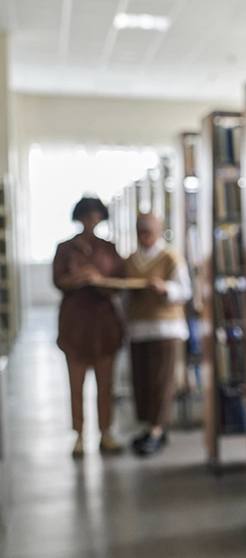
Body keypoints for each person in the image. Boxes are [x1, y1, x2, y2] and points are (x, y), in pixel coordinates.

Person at [52, 196, 126, 458]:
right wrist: (78, 280)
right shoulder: (65, 248)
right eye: (86, 216)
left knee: (106, 385)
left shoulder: (108, 248)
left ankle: (106, 432)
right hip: (75, 326)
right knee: (76, 384)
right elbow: (58, 280)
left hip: (104, 324)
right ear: (79, 218)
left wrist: (98, 279)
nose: (91, 221)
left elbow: (120, 281)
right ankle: (79, 435)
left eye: (95, 216)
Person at [124, 213, 193, 456]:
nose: (144, 236)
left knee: (161, 381)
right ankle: (150, 427)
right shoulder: (131, 260)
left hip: (165, 329)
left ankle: (157, 427)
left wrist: (165, 288)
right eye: (140, 231)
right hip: (138, 329)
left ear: (159, 231)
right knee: (142, 381)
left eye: (148, 231)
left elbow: (185, 291)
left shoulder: (170, 257)